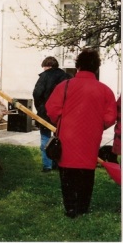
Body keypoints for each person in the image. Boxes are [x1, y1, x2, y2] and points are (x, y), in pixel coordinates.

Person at [46, 48, 116, 218]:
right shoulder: (105, 90)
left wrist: (62, 121)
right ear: (96, 68)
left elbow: (51, 109)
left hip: (68, 136)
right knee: (87, 172)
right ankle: (83, 207)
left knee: (67, 172)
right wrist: (98, 125)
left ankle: (70, 207)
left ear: (77, 66)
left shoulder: (65, 86)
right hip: (90, 137)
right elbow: (110, 117)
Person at [33, 56, 72, 172]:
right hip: (62, 113)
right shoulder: (66, 77)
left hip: (45, 111)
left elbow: (37, 93)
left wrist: (40, 107)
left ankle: (47, 165)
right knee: (59, 139)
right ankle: (58, 163)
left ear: (46, 66)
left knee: (45, 138)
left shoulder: (44, 76)